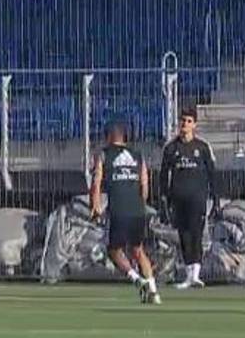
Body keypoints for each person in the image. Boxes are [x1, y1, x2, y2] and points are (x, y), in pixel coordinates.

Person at [90, 121, 160, 304]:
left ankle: (137, 281)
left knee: (114, 251)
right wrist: (140, 204)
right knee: (138, 250)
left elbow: (96, 182)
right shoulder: (138, 156)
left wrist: (95, 206)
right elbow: (145, 185)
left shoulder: (104, 155)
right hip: (138, 209)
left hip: (119, 210)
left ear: (109, 137)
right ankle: (154, 291)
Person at [160, 107, 219, 289]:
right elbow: (163, 176)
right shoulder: (171, 148)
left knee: (196, 234)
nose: (185, 124)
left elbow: (212, 173)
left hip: (198, 198)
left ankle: (196, 275)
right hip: (178, 199)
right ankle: (188, 275)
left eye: (188, 121)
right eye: (183, 121)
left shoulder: (202, 147)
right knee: (183, 235)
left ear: (195, 125)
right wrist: (164, 199)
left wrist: (216, 198)